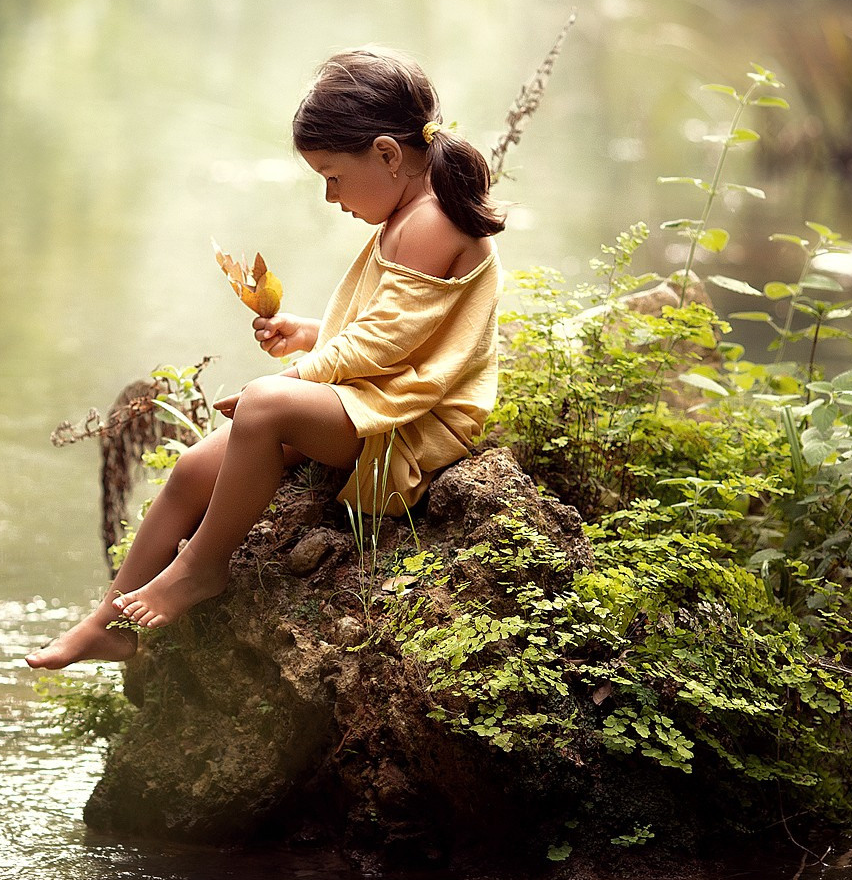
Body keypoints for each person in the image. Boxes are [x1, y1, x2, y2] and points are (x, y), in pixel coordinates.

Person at [25, 48, 504, 668]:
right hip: (376, 400)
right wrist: (311, 332)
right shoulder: (411, 213)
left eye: (333, 176)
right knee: (195, 470)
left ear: (387, 154)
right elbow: (399, 328)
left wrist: (298, 373)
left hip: (411, 424)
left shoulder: (431, 221)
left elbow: (386, 344)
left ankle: (201, 568)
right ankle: (110, 621)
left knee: (266, 403)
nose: (331, 197)